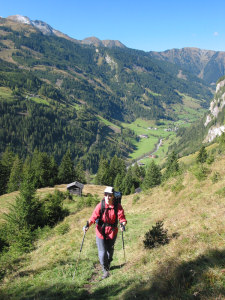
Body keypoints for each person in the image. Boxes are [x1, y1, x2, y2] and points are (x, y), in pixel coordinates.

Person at [83, 186, 127, 279]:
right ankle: (105, 270)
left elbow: (122, 218)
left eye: (110, 195)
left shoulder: (117, 206)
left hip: (112, 232)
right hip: (101, 232)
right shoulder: (100, 205)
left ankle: (108, 262)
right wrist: (87, 225)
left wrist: (123, 224)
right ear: (104, 195)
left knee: (109, 251)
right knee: (102, 253)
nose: (108, 197)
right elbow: (93, 217)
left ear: (113, 196)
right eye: (106, 195)